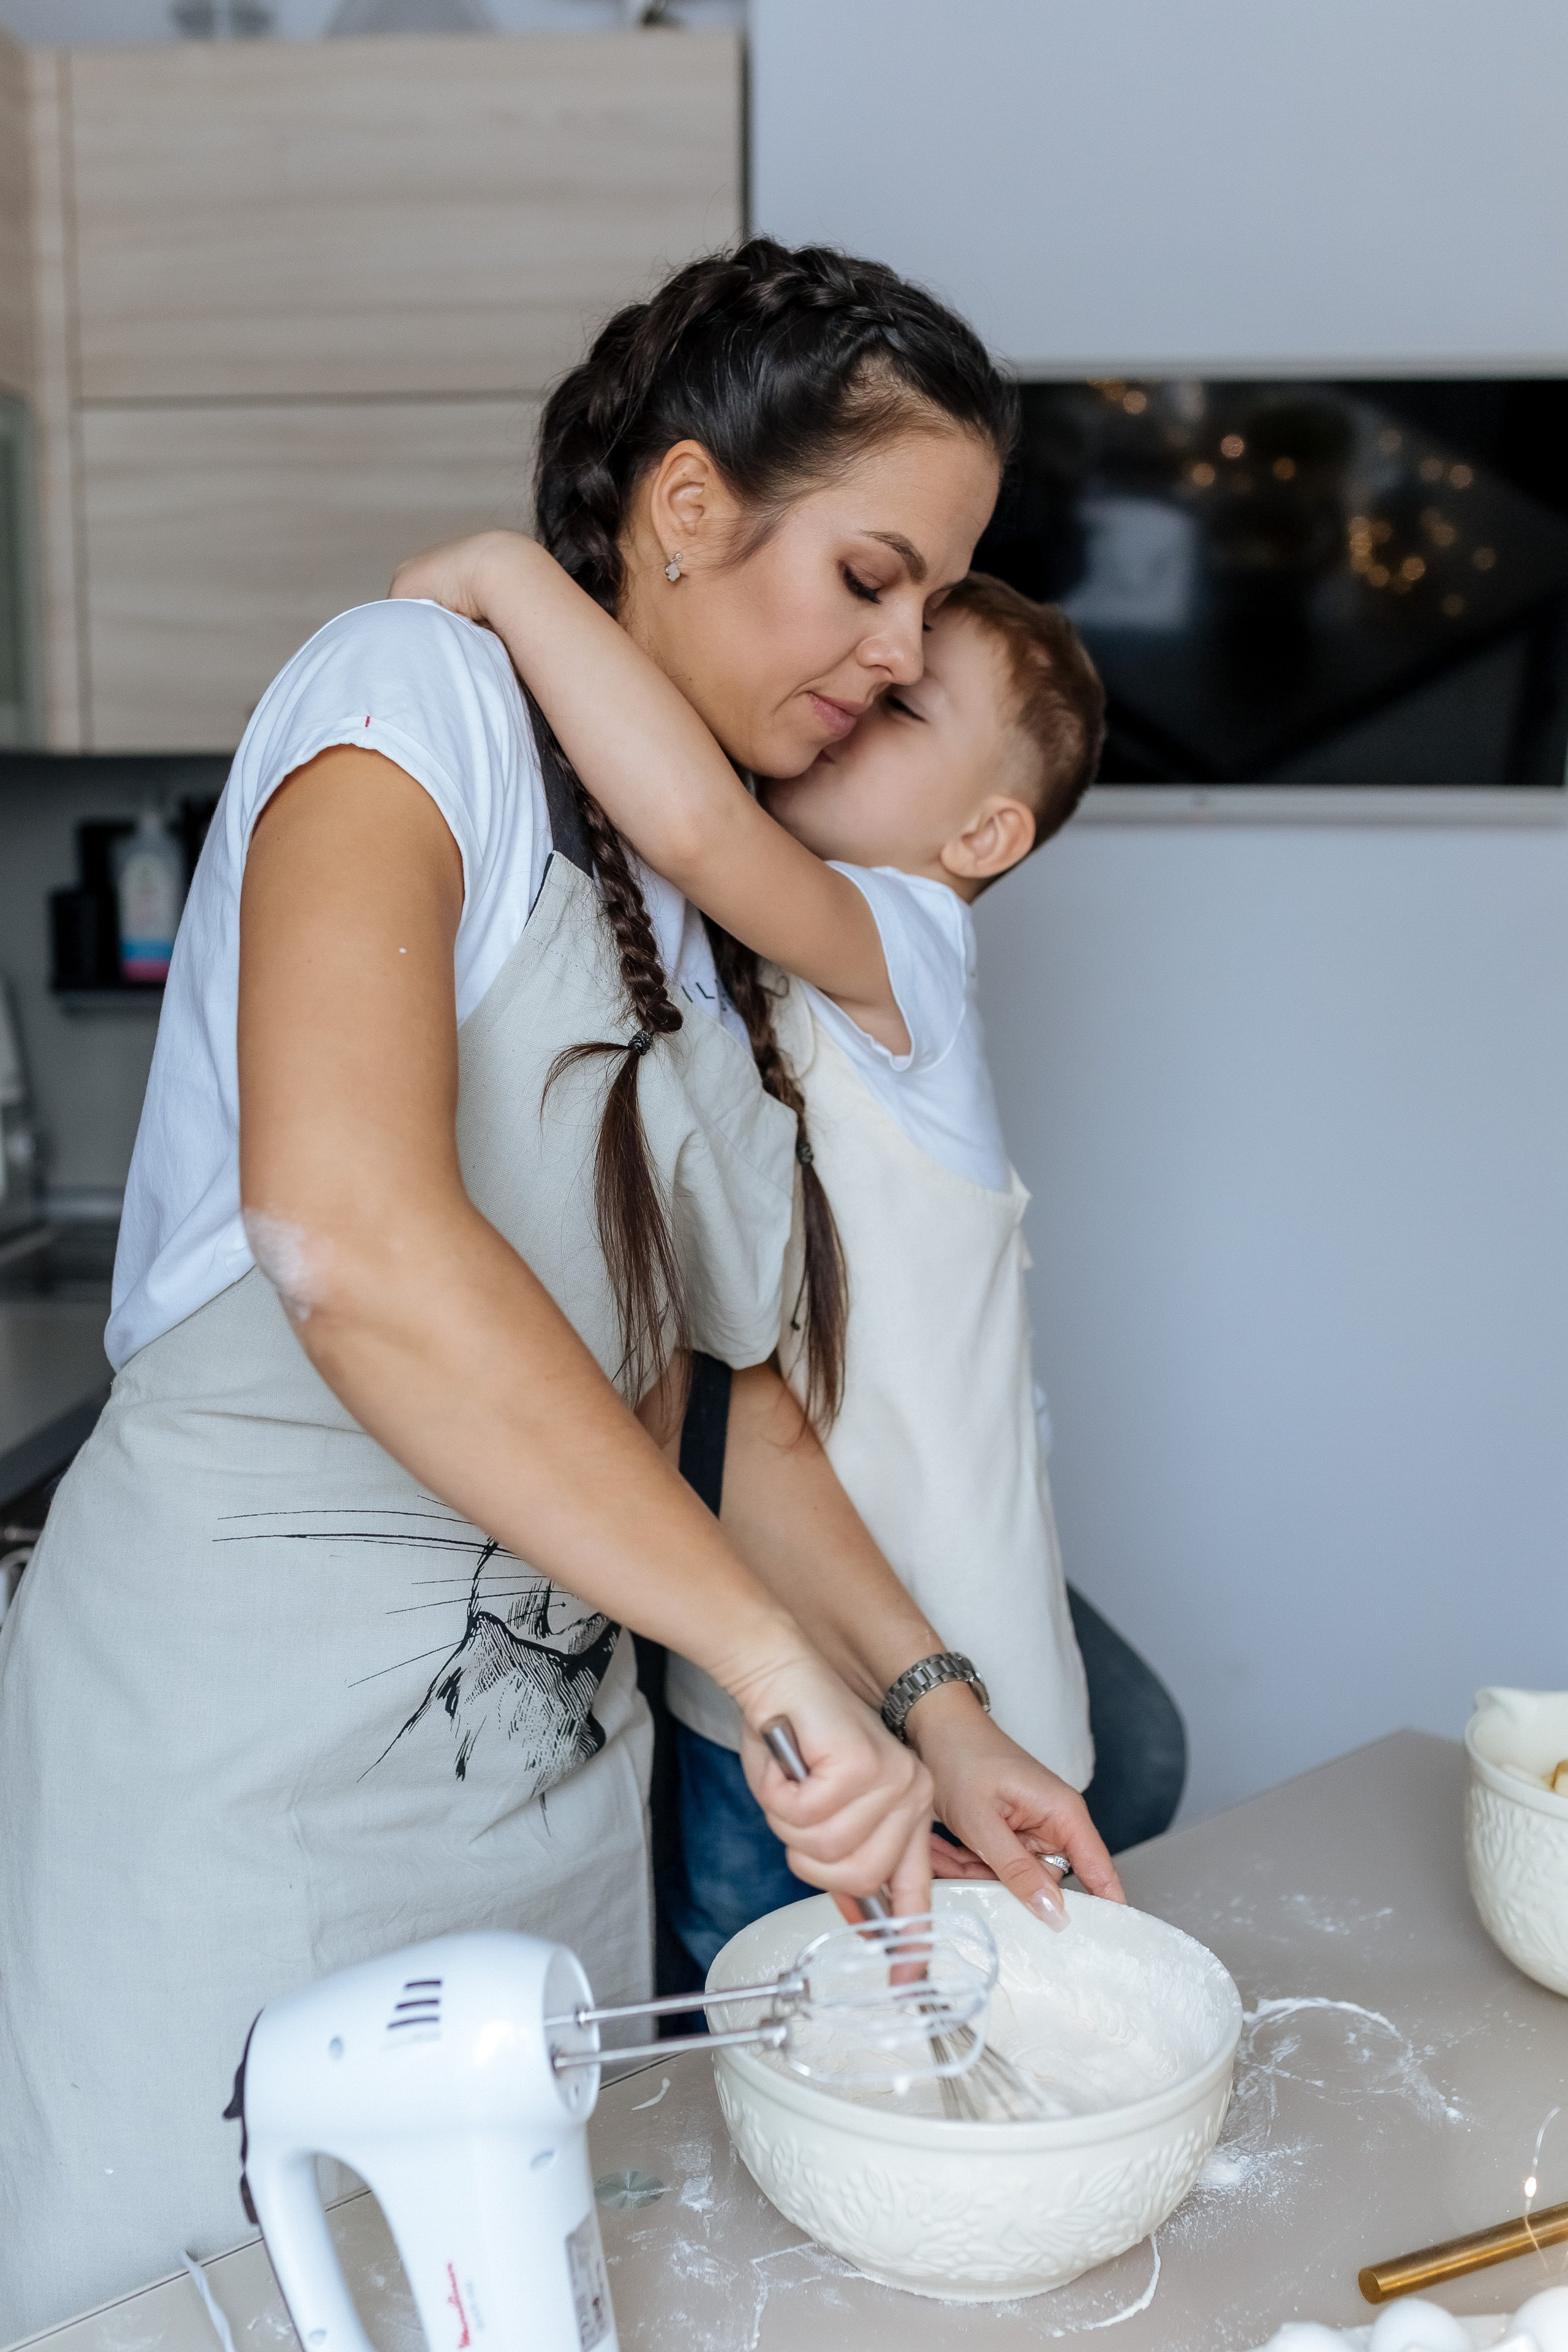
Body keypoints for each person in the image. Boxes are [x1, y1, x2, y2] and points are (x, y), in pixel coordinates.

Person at [0, 239, 1123, 2343]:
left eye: (932, 601)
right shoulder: (407, 699)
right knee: (208, 2304)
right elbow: (353, 1232)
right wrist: (762, 1654)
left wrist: (932, 1707)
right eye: (875, 577)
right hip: (248, 1758)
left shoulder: (712, 914)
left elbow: (732, 1397)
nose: (902, 654)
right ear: (690, 512)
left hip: (537, 1799)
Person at [393, 532, 1185, 1989]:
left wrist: (511, 582)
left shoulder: (910, 947)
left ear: (982, 838)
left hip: (950, 1658)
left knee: (960, 2031)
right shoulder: (721, 956)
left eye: (904, 708)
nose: (851, 692)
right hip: (759, 1668)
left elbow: (694, 825)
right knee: (754, 2006)